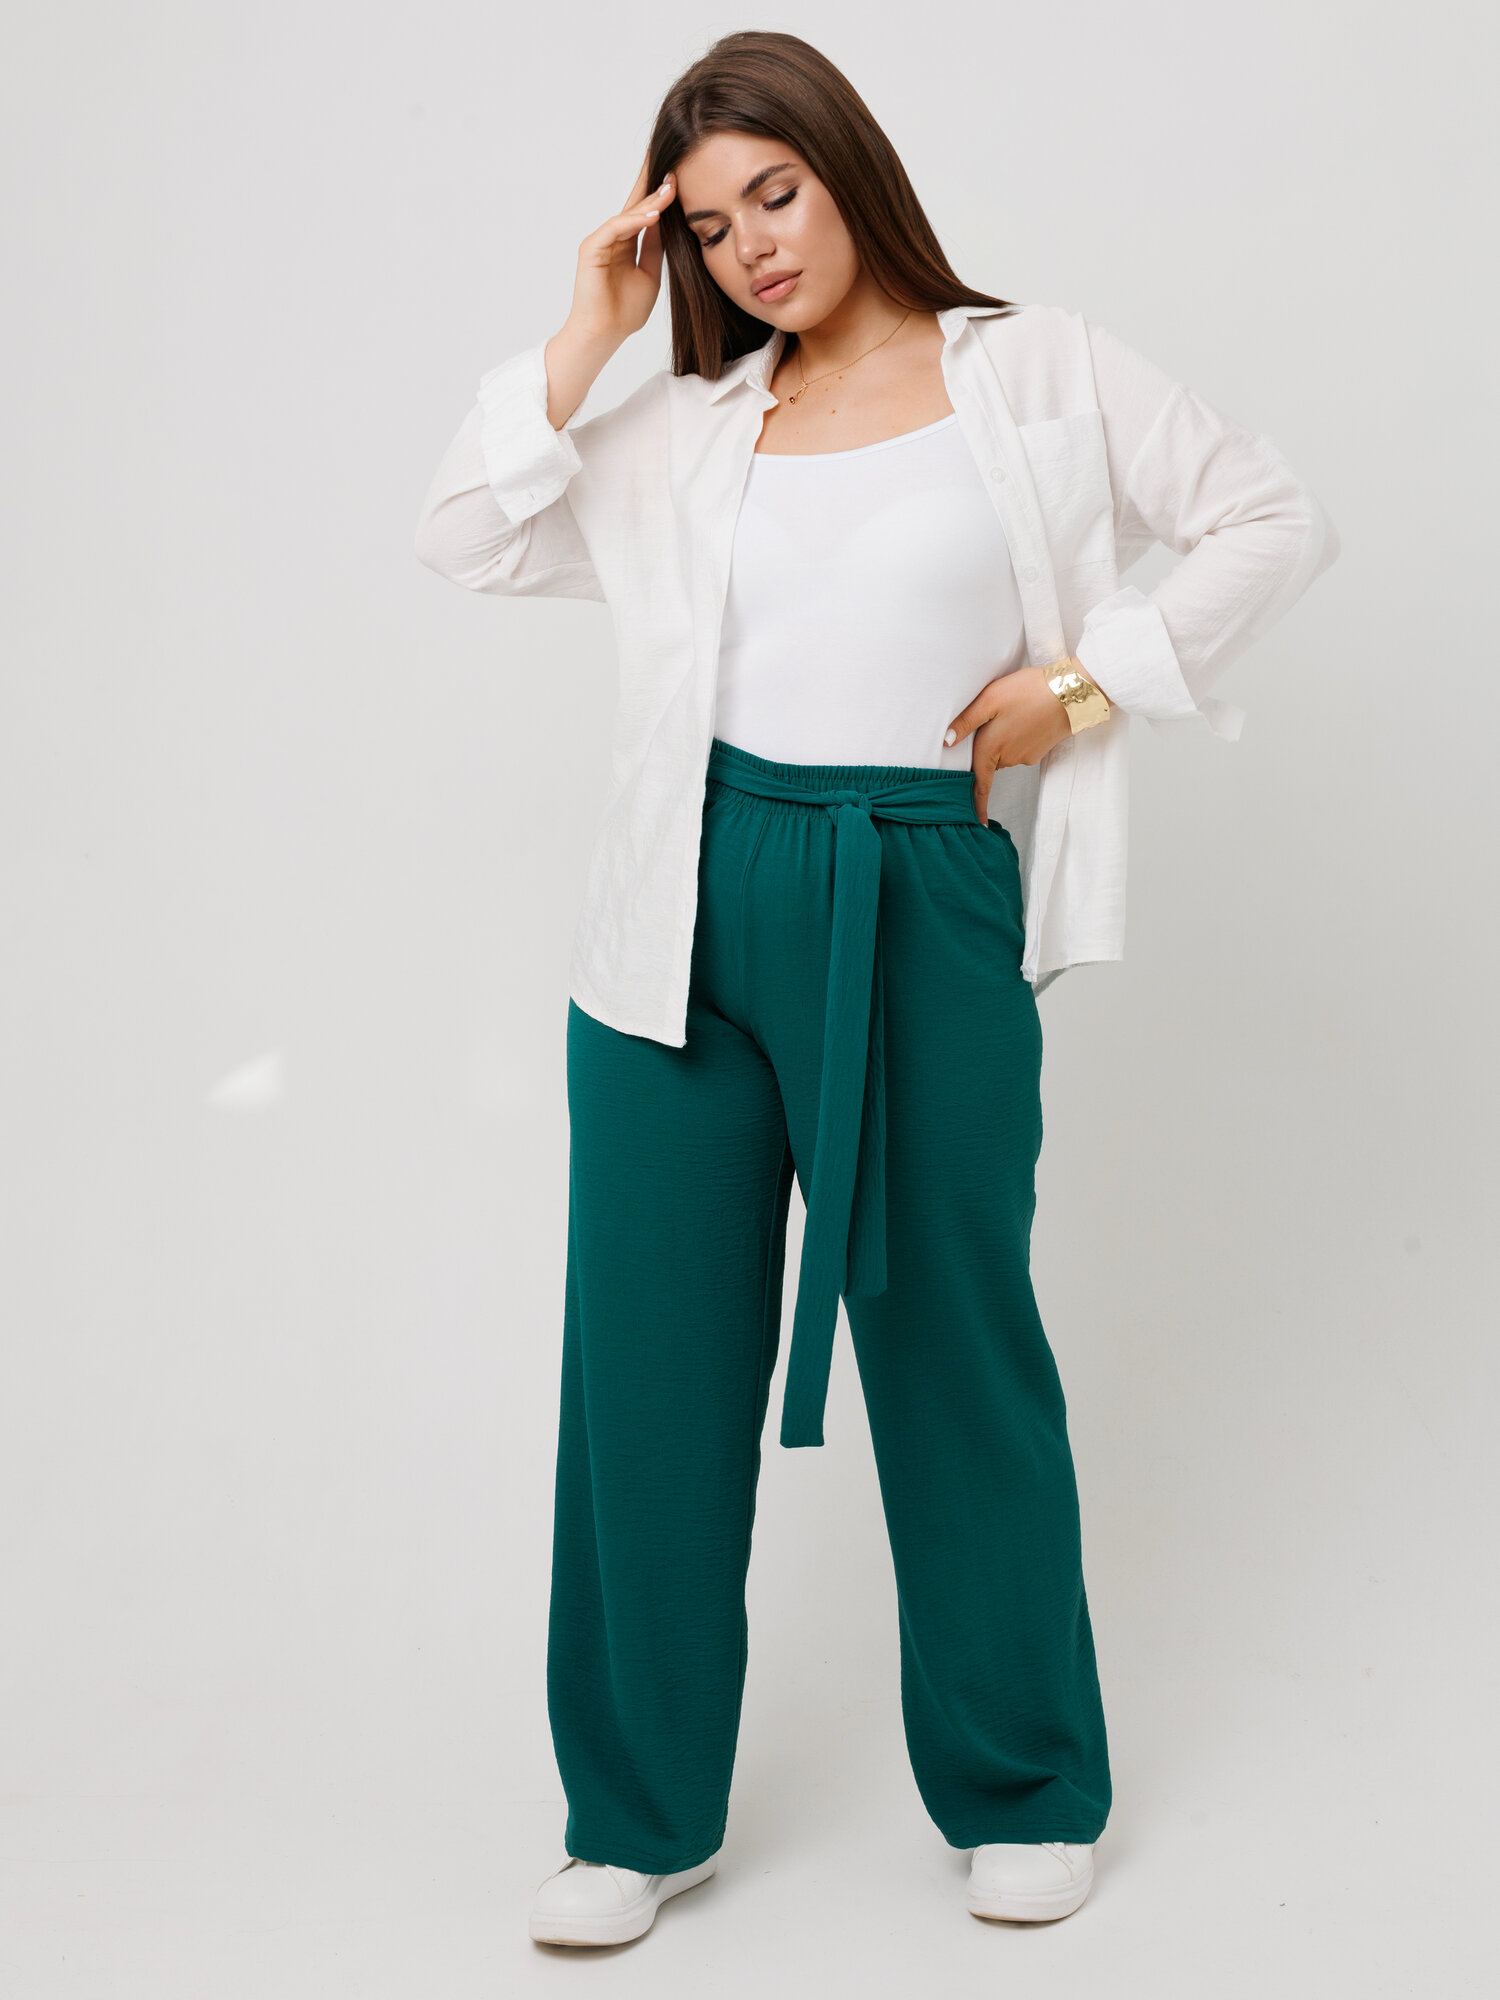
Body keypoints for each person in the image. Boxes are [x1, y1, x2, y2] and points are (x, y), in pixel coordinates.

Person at [414, 29, 1339, 1949]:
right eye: (706, 224)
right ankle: (636, 1816)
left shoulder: (1040, 371)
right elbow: (467, 532)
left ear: (847, 169)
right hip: (678, 912)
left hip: (915, 887)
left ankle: (1022, 1783)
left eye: (776, 191)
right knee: (647, 1370)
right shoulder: (686, 424)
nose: (752, 244)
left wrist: (1085, 684)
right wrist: (588, 331)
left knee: (950, 1341)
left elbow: (1270, 515)